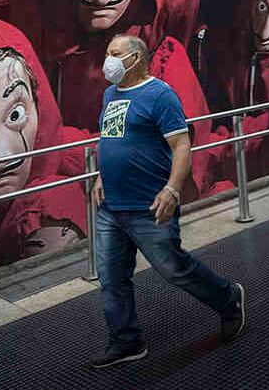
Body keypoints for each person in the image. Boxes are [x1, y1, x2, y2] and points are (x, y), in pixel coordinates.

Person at [90, 34, 245, 368]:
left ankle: (228, 297)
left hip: (148, 205)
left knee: (173, 268)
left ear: (136, 59)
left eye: (115, 54)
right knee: (112, 277)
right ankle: (126, 341)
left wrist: (172, 190)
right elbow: (112, 137)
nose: (108, 60)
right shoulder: (109, 95)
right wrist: (103, 174)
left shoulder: (160, 95)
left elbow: (181, 146)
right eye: (107, 53)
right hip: (111, 207)